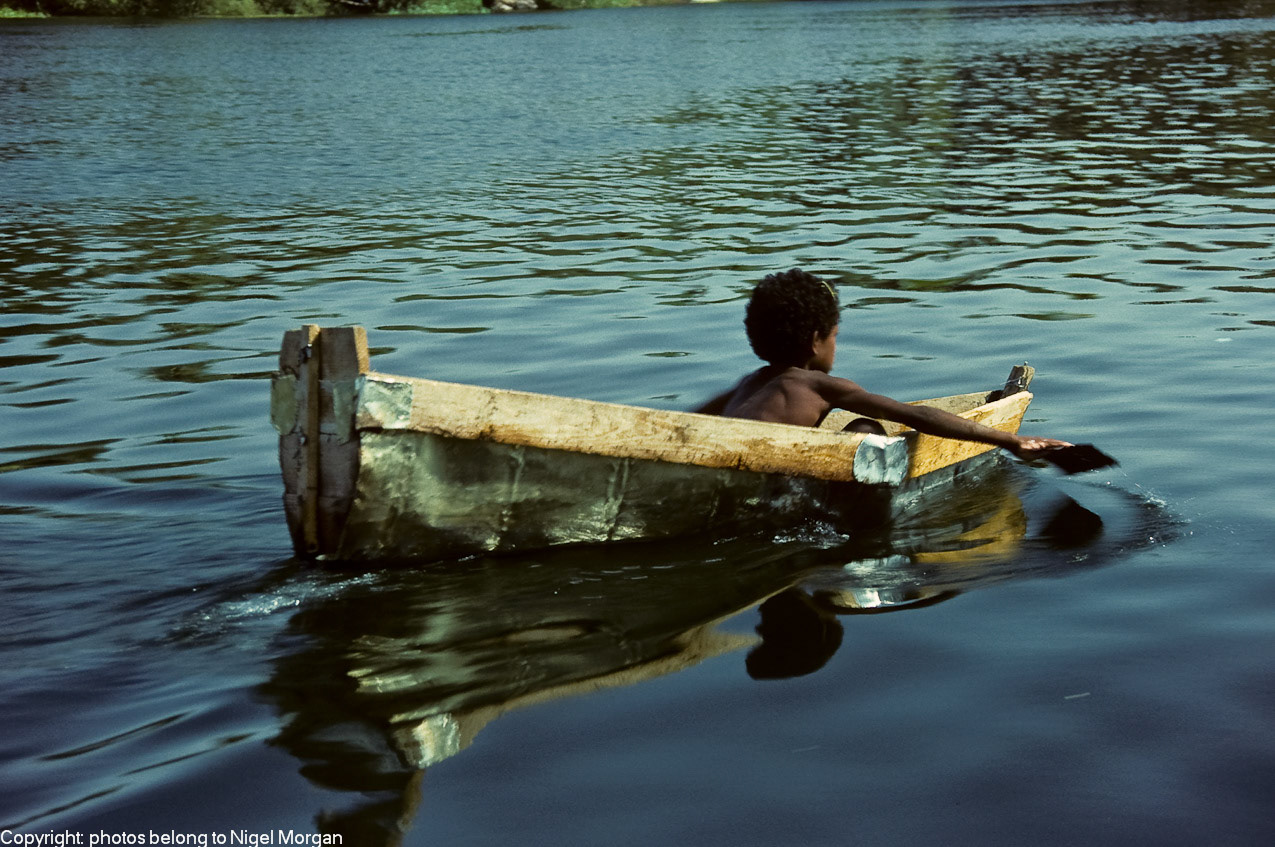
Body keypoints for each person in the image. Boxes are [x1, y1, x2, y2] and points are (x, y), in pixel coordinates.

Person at [692, 268, 1071, 461]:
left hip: (727, 462)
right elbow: (915, 415)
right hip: (767, 481)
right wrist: (1011, 440)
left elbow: (691, 422)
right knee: (866, 427)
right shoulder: (817, 386)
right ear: (815, 340)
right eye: (835, 336)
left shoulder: (748, 385)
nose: (835, 346)